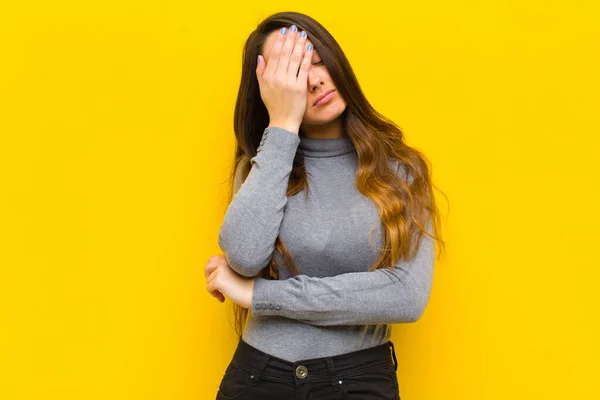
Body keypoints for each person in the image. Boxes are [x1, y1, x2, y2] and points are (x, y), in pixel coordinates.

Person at [205, 11, 446, 400]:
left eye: (318, 61)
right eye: (295, 72)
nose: (315, 79)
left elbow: (405, 296)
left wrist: (262, 295)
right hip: (257, 378)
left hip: (358, 381)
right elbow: (245, 257)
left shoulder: (400, 170)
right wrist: (282, 124)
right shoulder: (264, 167)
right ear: (270, 89)